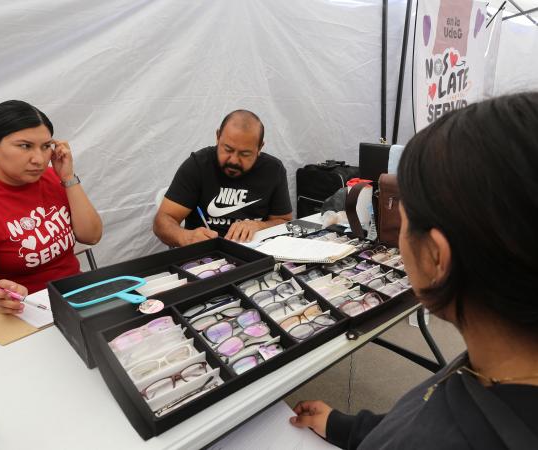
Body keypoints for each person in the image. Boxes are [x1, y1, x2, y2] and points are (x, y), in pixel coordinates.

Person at [289, 92, 538, 449]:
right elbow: (420, 413)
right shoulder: (502, 365)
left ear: (436, 258)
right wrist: (348, 428)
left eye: (403, 221)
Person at [0, 100, 102, 315]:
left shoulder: (52, 177)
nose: (39, 159)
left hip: (78, 297)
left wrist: (68, 178)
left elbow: (92, 236)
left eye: (46, 146)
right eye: (25, 146)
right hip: (27, 311)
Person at [153, 110, 292, 246]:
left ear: (260, 147)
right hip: (206, 254)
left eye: (245, 154)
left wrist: (260, 226)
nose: (234, 160)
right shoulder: (198, 165)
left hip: (256, 252)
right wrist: (185, 237)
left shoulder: (273, 170)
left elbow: (284, 222)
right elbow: (162, 220)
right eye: (228, 149)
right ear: (218, 136)